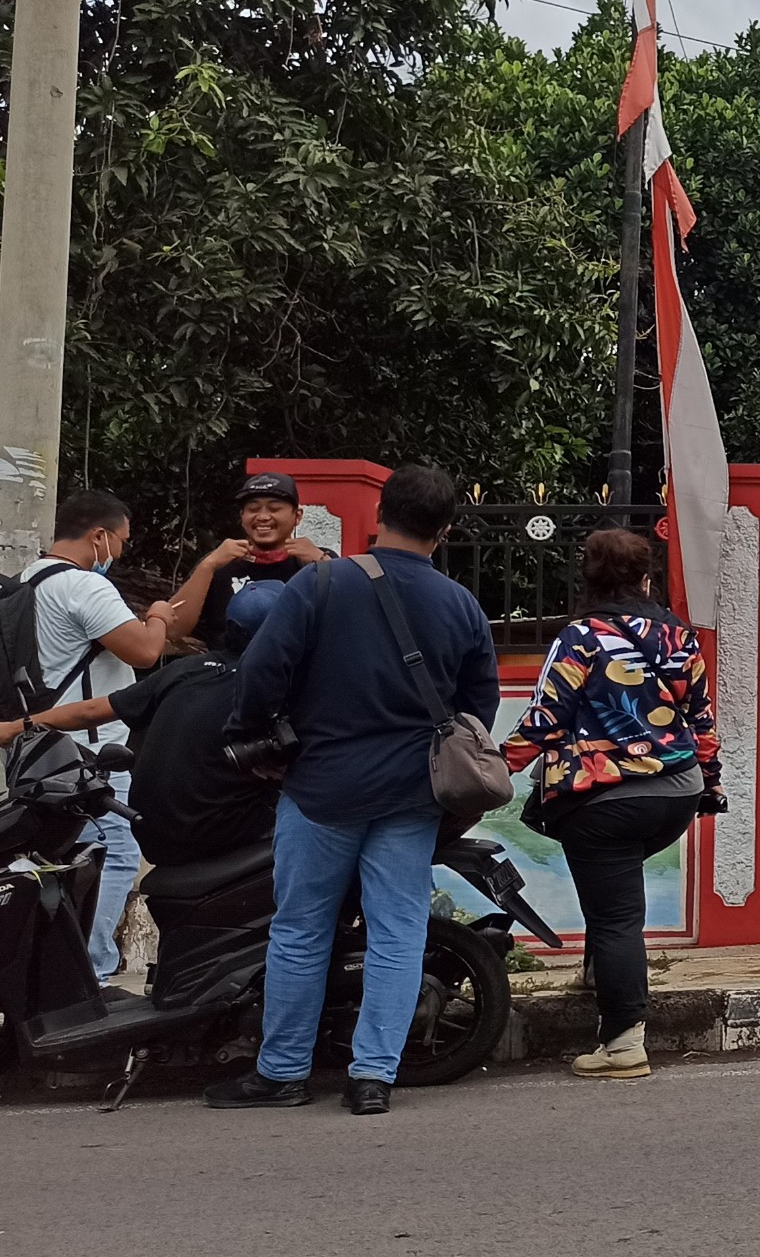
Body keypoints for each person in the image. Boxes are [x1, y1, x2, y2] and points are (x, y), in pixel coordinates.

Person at [205, 465, 497, 1116]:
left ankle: (282, 1074)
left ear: (377, 517)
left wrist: (252, 738)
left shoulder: (320, 583)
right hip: (410, 797)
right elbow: (479, 712)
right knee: (397, 932)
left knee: (302, 928)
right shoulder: (460, 605)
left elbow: (261, 672)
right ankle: (373, 1078)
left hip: (320, 788)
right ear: (445, 531)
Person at [503, 528, 722, 1080]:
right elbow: (701, 719)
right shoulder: (679, 636)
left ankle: (623, 1043)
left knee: (616, 914)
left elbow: (546, 719)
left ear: (589, 580)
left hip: (605, 799)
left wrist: (493, 769)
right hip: (677, 791)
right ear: (646, 579)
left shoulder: (580, 636)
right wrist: (710, 782)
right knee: (616, 902)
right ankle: (602, 975)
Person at [0, 581, 287, 867]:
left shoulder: (187, 669)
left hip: (151, 832)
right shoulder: (275, 686)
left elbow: (93, 709)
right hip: (215, 835)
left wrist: (21, 725)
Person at [18, 491, 176, 981]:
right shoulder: (85, 587)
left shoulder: (22, 582)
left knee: (58, 857)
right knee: (115, 854)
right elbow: (145, 653)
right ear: (99, 536)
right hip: (90, 750)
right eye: (121, 542)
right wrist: (158, 615)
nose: (121, 553)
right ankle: (89, 970)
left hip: (34, 745)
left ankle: (47, 965)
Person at [169, 471, 333, 643]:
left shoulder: (318, 561)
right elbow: (172, 631)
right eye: (253, 509)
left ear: (297, 516)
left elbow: (353, 619)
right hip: (231, 666)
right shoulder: (219, 562)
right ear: (242, 517)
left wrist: (323, 564)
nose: (262, 517)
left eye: (274, 509)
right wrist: (208, 565)